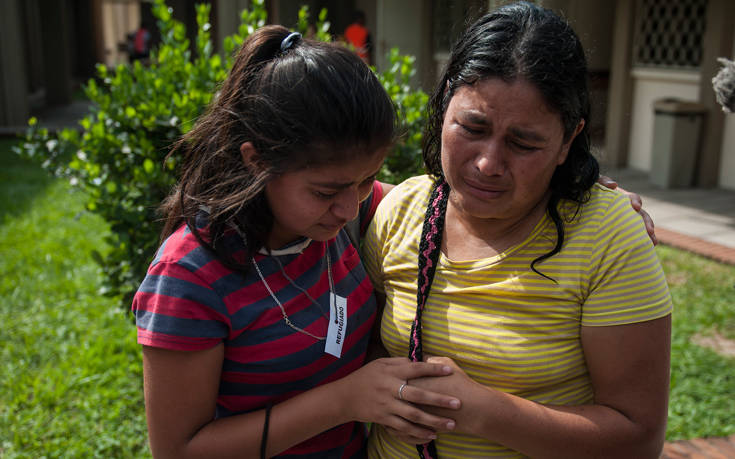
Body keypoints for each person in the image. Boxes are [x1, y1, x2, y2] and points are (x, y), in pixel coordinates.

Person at [131, 25, 463, 458]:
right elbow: (178, 451)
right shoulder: (189, 278)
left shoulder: (350, 214)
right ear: (256, 160)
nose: (348, 207)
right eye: (326, 192)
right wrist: (345, 400)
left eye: (365, 181)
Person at [362, 2, 672, 458]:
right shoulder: (402, 211)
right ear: (446, 101)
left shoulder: (608, 238)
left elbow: (638, 437)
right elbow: (364, 350)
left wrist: (478, 410)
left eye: (523, 143)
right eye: (473, 127)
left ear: (569, 140)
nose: (488, 163)